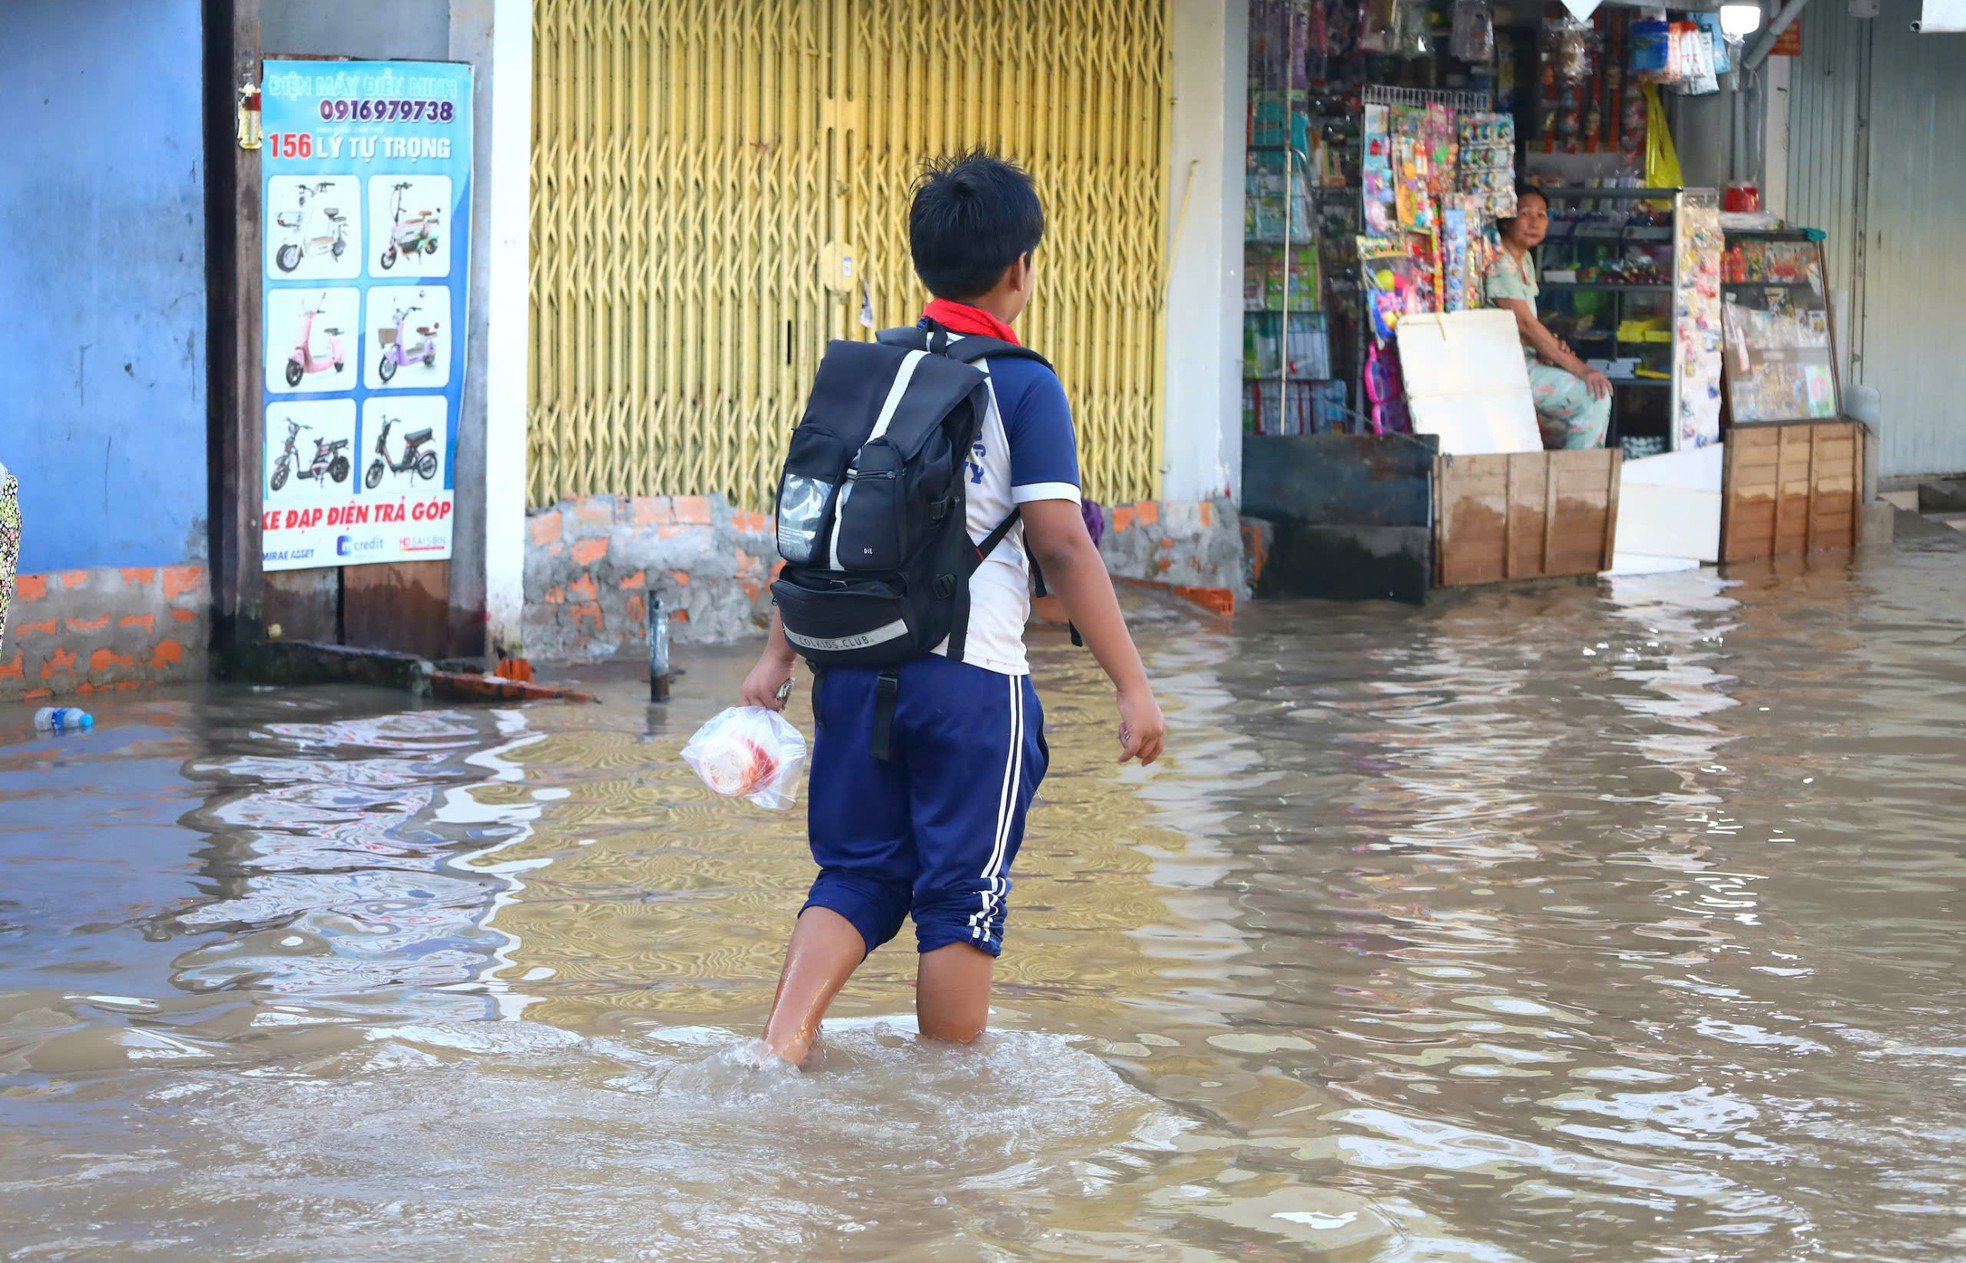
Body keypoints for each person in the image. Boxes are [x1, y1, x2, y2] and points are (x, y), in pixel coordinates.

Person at [739, 152, 1167, 1068]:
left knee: (854, 873)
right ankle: (945, 1117)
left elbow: (820, 523)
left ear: (923, 260)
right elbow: (1061, 541)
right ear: (1021, 269)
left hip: (850, 672)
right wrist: (1132, 684)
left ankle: (778, 1049)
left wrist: (778, 658)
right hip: (972, 690)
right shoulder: (1023, 384)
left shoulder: (869, 368)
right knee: (961, 897)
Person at [1486, 183, 1613, 450]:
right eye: (1525, 213)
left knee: (1570, 416)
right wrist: (1581, 368)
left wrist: (1548, 349)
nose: (1534, 222)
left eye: (1541, 214)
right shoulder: (1499, 263)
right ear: (1507, 221)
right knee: (1594, 399)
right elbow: (1524, 325)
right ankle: (1576, 482)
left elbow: (1529, 328)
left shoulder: (1524, 260)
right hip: (1504, 367)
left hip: (1524, 360)